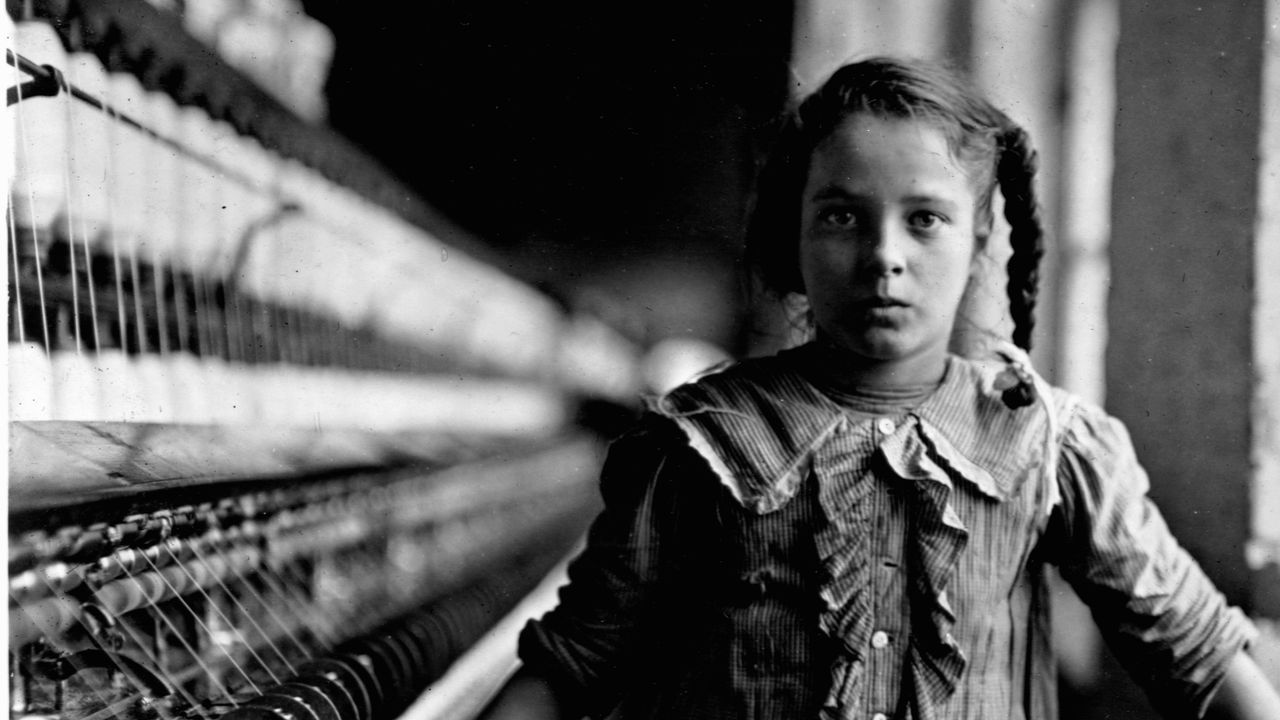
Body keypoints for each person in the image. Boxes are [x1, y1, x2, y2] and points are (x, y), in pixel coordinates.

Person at [481, 57, 1280, 719]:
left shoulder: (1050, 447)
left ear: (976, 241)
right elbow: (575, 663)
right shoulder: (705, 441)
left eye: (924, 220)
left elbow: (1200, 657)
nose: (883, 256)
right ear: (795, 232)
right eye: (842, 217)